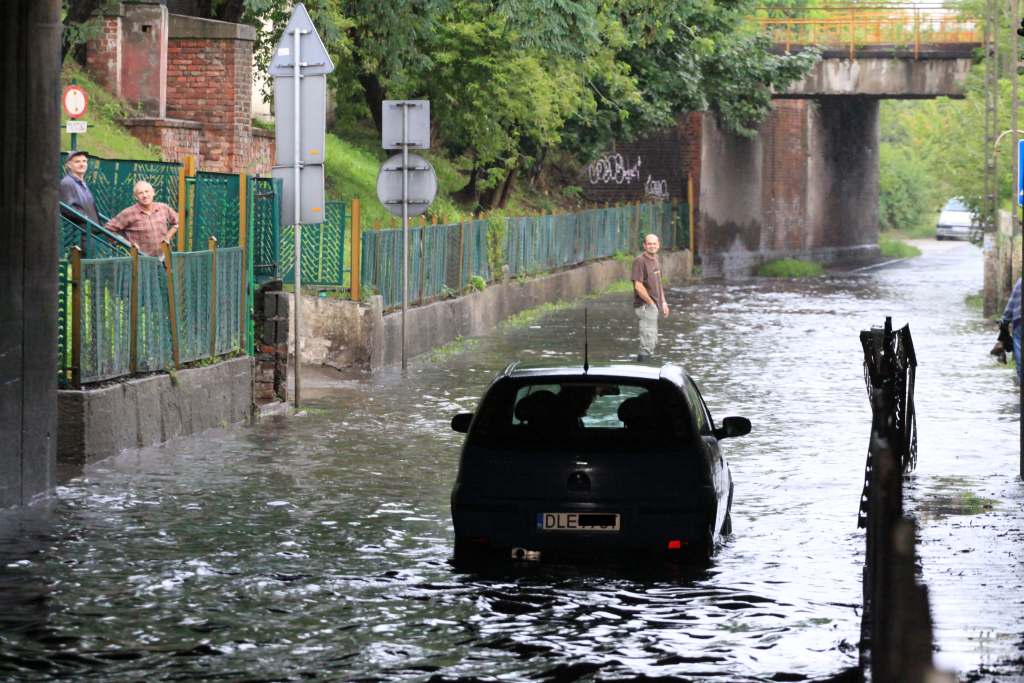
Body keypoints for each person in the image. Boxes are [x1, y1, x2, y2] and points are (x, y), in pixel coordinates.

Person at [105, 180, 178, 257]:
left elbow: (178, 221)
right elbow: (108, 229)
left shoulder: (163, 207)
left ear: (153, 192)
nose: (145, 195)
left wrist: (168, 236)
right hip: (140, 260)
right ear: (136, 197)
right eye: (140, 193)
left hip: (163, 257)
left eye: (147, 191)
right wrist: (126, 244)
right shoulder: (128, 213)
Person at [631, 233, 669, 362]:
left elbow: (659, 283)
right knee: (647, 342)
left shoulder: (655, 259)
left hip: (654, 307)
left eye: (654, 243)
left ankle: (647, 371)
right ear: (644, 245)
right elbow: (638, 286)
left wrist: (663, 302)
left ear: (658, 245)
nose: (652, 246)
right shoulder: (640, 261)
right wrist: (651, 303)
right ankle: (642, 373)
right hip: (645, 307)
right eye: (649, 244)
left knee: (652, 340)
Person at [59, 150, 100, 224]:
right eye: (77, 162)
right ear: (69, 165)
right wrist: (86, 218)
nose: (82, 164)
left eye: (84, 161)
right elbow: (66, 209)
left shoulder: (82, 183)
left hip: (90, 231)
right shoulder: (67, 183)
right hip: (80, 232)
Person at [1001, 276, 1022, 383]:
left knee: (1019, 346)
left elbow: (1011, 304)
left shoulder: (1020, 282)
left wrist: (1004, 321)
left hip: (1019, 320)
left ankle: (1020, 377)